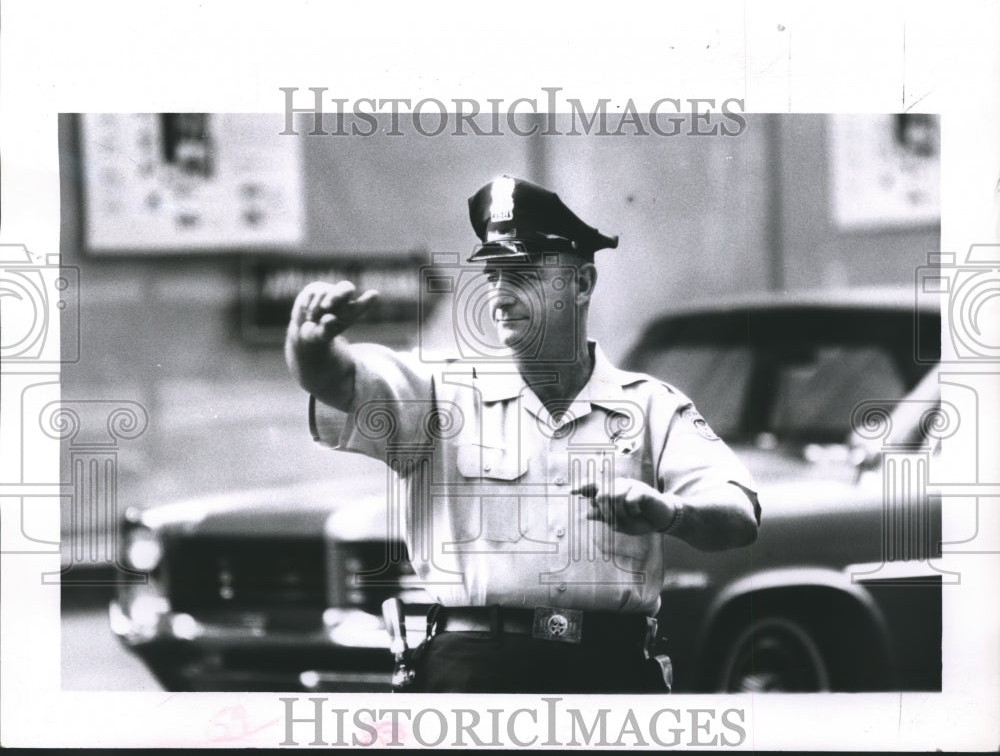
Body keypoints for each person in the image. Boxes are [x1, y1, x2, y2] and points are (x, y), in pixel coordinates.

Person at [286, 176, 760, 693]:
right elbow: (339, 380)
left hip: (611, 673)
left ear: (582, 283)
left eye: (524, 270)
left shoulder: (649, 405)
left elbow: (737, 515)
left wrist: (671, 513)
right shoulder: (441, 395)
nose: (500, 290)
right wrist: (310, 348)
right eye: (492, 273)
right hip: (474, 670)